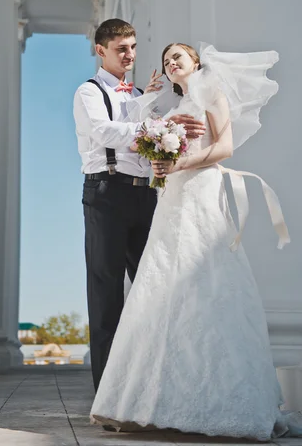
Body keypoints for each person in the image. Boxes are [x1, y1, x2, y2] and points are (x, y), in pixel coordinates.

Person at [90, 42, 302, 440]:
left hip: (200, 190)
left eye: (178, 56)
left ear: (195, 61)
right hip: (172, 196)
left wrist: (178, 162)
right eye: (166, 60)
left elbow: (225, 147)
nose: (171, 63)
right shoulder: (172, 108)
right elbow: (148, 141)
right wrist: (159, 148)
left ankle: (219, 403)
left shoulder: (212, 92)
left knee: (206, 279)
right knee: (161, 282)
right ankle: (145, 402)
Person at [73, 22, 206, 392]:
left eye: (132, 47)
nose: (130, 55)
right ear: (101, 51)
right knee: (107, 296)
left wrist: (157, 115)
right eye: (121, 49)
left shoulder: (139, 96)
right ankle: (108, 396)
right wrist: (158, 123)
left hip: (146, 195)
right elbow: (105, 132)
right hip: (106, 194)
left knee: (156, 289)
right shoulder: (89, 92)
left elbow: (151, 131)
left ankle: (154, 388)